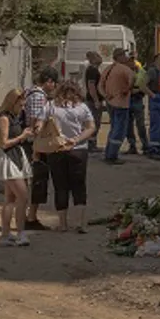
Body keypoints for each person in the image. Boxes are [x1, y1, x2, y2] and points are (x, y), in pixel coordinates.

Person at [42, 80, 96, 233]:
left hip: (56, 149)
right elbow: (91, 127)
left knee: (60, 187)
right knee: (79, 186)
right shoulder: (82, 107)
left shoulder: (50, 106)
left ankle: (63, 224)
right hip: (78, 149)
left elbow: (40, 125)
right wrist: (77, 139)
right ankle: (80, 223)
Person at [0, 88, 34, 247]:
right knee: (23, 196)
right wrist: (22, 137)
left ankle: (5, 234)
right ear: (12, 103)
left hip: (17, 156)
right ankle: (20, 233)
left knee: (10, 198)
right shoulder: (4, 119)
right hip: (8, 158)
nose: (22, 108)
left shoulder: (15, 118)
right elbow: (3, 143)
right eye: (20, 105)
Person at [21, 67, 60, 230]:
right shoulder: (38, 96)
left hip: (30, 142)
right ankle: (30, 217)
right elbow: (36, 122)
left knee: (30, 179)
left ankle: (24, 216)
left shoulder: (29, 92)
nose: (54, 87)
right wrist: (38, 147)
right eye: (54, 83)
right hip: (35, 143)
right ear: (49, 81)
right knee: (38, 179)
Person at [100, 49, 135, 165]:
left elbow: (100, 85)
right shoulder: (125, 69)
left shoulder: (108, 69)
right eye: (124, 55)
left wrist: (106, 95)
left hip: (110, 103)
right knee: (119, 131)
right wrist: (127, 89)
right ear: (119, 56)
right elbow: (132, 81)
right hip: (122, 104)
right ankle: (112, 155)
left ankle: (108, 153)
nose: (126, 57)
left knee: (113, 128)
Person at [126, 56, 152, 156]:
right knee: (128, 125)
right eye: (130, 61)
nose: (132, 63)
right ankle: (132, 146)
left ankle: (145, 145)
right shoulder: (124, 72)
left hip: (137, 100)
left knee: (140, 125)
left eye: (132, 61)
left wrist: (138, 90)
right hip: (127, 100)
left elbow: (145, 86)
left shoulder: (141, 72)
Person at [83, 51, 105, 153]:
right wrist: (96, 100)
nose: (101, 58)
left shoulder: (94, 69)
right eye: (98, 56)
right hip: (93, 101)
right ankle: (91, 145)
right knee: (94, 122)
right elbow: (91, 86)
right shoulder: (92, 70)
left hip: (94, 100)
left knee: (96, 122)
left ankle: (92, 144)